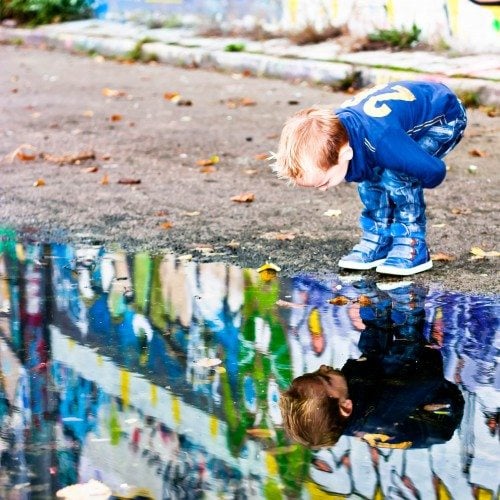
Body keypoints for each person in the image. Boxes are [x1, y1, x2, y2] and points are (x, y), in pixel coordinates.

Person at [271, 80, 467, 276]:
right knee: (371, 178)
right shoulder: (338, 134)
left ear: (345, 153)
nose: (322, 189)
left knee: (397, 176)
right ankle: (379, 239)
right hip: (392, 131)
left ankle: (412, 244)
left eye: (324, 182)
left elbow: (435, 172)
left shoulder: (383, 141)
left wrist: (409, 165)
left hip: (444, 116)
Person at [279, 281, 464, 448]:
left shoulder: (341, 404)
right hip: (437, 409)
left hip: (384, 390)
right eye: (325, 378)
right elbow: (428, 380)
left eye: (314, 372)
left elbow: (371, 363)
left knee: (371, 352)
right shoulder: (383, 407)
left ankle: (376, 306)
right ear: (346, 406)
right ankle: (408, 303)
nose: (323, 367)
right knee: (405, 347)